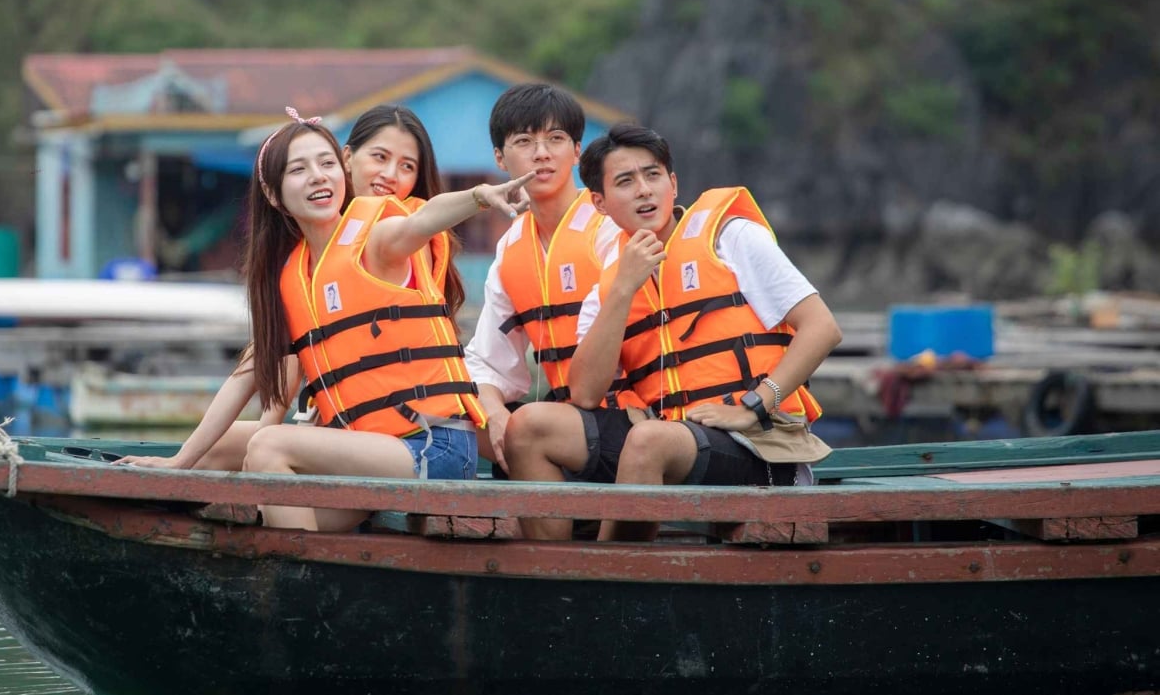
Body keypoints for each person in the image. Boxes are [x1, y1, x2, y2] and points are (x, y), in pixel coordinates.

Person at [125, 108, 533, 532]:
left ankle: (296, 576)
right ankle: (278, 539)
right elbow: (246, 375)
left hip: (432, 446)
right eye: (299, 169)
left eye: (325, 164)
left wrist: (480, 196)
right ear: (273, 192)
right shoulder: (293, 274)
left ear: (341, 169)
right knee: (224, 445)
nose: (318, 177)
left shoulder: (377, 237)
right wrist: (178, 462)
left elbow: (424, 219)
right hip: (365, 446)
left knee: (269, 445)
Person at [567, 123, 840, 541]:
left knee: (646, 441)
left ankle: (610, 593)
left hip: (761, 444)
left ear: (673, 183)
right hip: (676, 437)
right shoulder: (609, 285)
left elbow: (822, 328)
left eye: (653, 175)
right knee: (532, 426)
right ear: (599, 203)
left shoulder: (731, 238)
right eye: (626, 181)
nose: (644, 190)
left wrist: (753, 406)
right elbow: (585, 394)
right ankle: (545, 564)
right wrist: (623, 289)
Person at [463, 84, 647, 540]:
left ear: (577, 151)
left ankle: (550, 562)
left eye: (556, 140)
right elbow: (488, 361)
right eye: (524, 142)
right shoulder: (511, 247)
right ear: (501, 159)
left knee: (529, 425)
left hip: (636, 420)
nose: (541, 155)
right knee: (449, 419)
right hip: (568, 426)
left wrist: (514, 421)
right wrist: (493, 412)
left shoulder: (609, 227)